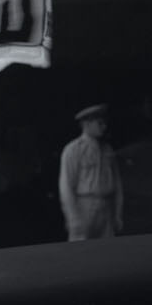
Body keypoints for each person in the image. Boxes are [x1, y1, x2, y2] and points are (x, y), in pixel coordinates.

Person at [58, 103, 123, 241]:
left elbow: (117, 185)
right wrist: (73, 218)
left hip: (106, 208)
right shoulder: (73, 150)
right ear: (87, 124)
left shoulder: (108, 150)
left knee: (106, 251)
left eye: (104, 123)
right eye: (100, 123)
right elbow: (66, 187)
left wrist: (117, 213)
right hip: (84, 208)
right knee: (81, 253)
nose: (104, 127)